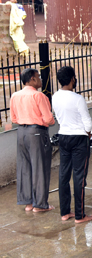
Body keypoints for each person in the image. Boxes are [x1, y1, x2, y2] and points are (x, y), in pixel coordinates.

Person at [52, 66, 92, 223]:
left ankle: (65, 212)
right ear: (71, 79)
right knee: (79, 177)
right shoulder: (77, 98)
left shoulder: (55, 96)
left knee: (63, 174)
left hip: (63, 136)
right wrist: (88, 134)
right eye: (74, 77)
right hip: (79, 139)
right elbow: (88, 123)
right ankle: (80, 215)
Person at [10, 68, 55, 212]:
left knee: (25, 167)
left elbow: (13, 118)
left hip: (21, 132)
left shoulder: (15, 96)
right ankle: (40, 204)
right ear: (32, 79)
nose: (41, 79)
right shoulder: (38, 96)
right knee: (40, 167)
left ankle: (28, 202)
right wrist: (46, 120)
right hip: (36, 132)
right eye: (38, 77)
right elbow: (49, 119)